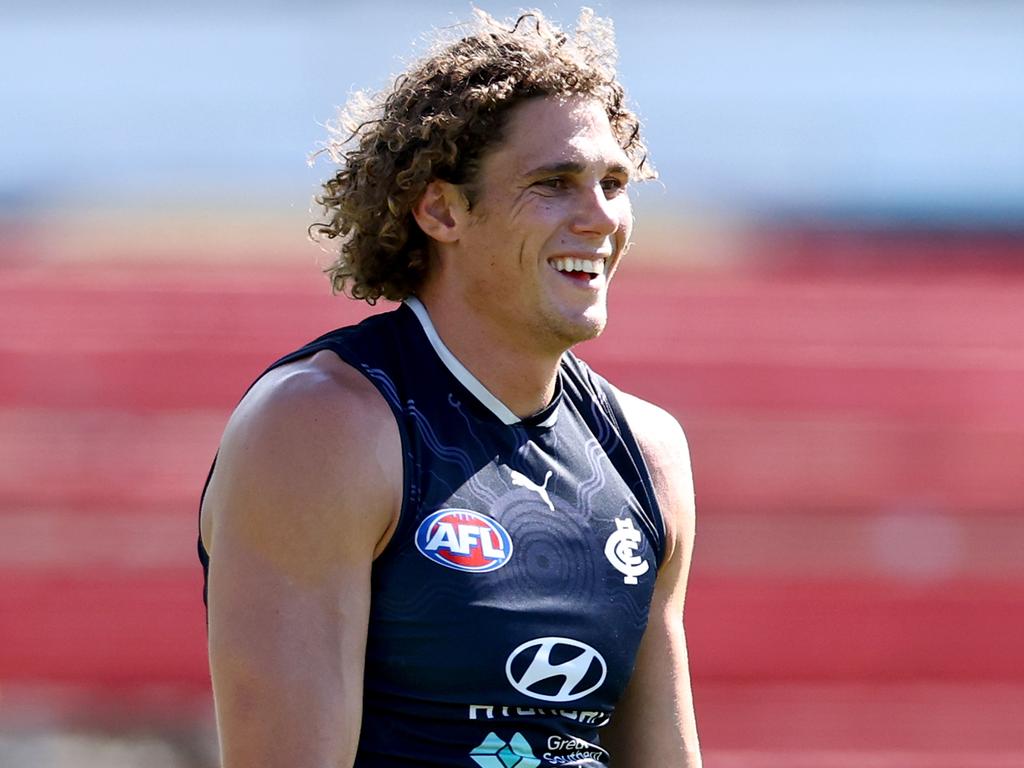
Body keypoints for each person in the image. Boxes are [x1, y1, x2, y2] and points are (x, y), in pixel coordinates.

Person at [199, 8, 701, 768]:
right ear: (441, 209)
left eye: (614, 183)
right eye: (555, 183)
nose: (600, 217)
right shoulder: (324, 428)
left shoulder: (648, 452)